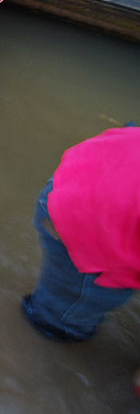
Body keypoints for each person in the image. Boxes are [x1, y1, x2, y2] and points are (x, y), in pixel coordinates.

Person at [22, 125, 140, 341]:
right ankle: (48, 322)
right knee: (61, 318)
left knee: (70, 286)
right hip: (88, 223)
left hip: (77, 176)